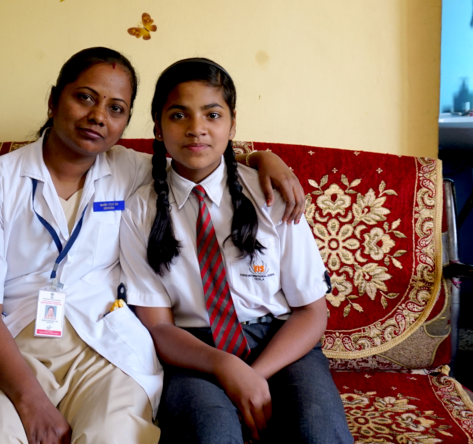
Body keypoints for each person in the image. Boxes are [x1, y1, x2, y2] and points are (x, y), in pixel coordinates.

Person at [0, 47, 306, 444]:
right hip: (10, 347)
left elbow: (199, 156)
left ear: (126, 122)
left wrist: (263, 158)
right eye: (85, 97)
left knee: (115, 435)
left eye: (116, 108)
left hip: (104, 347)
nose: (98, 116)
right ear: (55, 100)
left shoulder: (132, 169)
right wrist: (30, 401)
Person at [119, 58, 353, 444]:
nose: (197, 129)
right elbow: (159, 326)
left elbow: (312, 312)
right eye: (179, 115)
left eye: (212, 114)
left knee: (319, 432)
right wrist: (224, 365)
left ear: (232, 123)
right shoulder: (139, 210)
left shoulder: (272, 195)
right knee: (210, 434)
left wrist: (253, 375)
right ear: (158, 127)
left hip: (280, 344)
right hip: (191, 352)